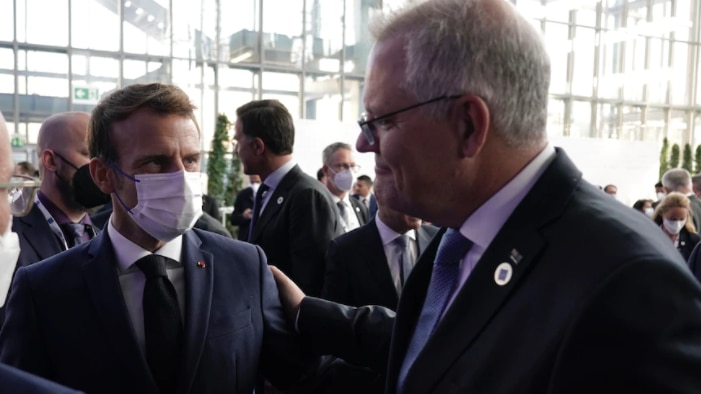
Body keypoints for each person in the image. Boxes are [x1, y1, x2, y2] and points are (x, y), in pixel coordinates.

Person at [271, 0, 701, 392]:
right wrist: (305, 310)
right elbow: (440, 342)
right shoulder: (465, 230)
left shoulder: (631, 283)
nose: (364, 145)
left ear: (469, 126)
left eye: (379, 121)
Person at [0, 83, 316, 394]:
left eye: (190, 160)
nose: (181, 177)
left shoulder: (245, 266)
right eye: (155, 162)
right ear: (103, 175)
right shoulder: (42, 289)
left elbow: (300, 377)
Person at [0, 111, 81, 393]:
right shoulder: (14, 234)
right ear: (49, 161)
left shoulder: (111, 231)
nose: (100, 168)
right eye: (6, 188)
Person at [235, 99, 341, 297]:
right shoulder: (273, 191)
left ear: (258, 146)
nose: (236, 150)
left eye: (238, 141)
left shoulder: (307, 196)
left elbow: (309, 285)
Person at [323, 178, 438, 310]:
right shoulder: (345, 250)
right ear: (379, 195)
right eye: (409, 195)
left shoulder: (438, 239)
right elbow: (335, 318)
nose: (419, 203)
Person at [12, 112, 100, 268]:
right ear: (50, 160)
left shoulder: (106, 238)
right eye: (89, 154)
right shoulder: (10, 234)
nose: (100, 166)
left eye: (105, 155)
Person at [322, 142, 369, 233]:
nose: (350, 172)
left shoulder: (360, 207)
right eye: (342, 166)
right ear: (326, 170)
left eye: (352, 166)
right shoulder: (316, 206)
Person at [652, 192, 700, 261]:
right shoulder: (650, 237)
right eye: (672, 219)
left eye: (682, 219)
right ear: (661, 213)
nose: (677, 223)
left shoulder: (693, 241)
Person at [229, 174, 261, 241]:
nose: (254, 175)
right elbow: (233, 219)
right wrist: (244, 216)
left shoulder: (268, 192)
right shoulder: (243, 194)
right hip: (246, 238)